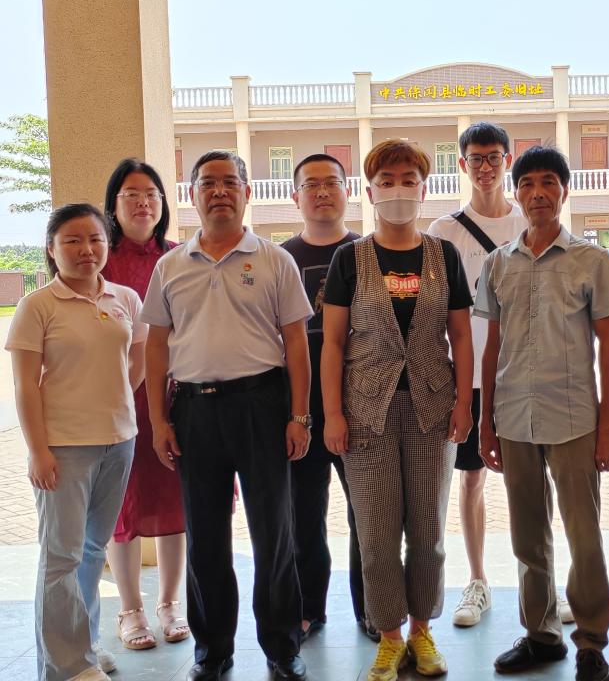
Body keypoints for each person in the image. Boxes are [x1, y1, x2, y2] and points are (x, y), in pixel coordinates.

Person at [142, 150, 313, 681]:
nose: (218, 191)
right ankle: (212, 650)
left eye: (229, 182)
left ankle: (282, 648)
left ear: (246, 191)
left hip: (262, 406)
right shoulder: (170, 265)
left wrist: (299, 416)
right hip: (194, 411)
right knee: (206, 537)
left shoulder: (273, 260)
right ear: (192, 194)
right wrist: (159, 421)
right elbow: (155, 346)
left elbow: (296, 343)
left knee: (274, 534)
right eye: (207, 183)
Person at [320, 138, 474, 681]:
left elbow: (461, 335)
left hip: (433, 410)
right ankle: (388, 637)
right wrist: (332, 414)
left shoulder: (443, 255)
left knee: (428, 532)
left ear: (424, 189)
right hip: (366, 412)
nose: (398, 189)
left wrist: (464, 401)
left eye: (409, 179)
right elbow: (332, 343)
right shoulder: (349, 258)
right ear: (370, 192)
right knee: (377, 534)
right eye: (387, 181)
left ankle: (421, 632)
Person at [476, 146, 609, 681]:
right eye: (528, 184)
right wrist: (485, 421)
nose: (538, 193)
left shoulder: (592, 261)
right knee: (526, 535)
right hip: (514, 415)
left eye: (549, 182)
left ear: (565, 191)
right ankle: (541, 636)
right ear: (516, 193)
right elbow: (491, 348)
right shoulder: (498, 264)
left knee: (583, 535)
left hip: (574, 418)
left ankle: (591, 642)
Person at [7, 203, 146, 681]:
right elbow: (25, 385)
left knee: (91, 551)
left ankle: (83, 646)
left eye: (95, 239)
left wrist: (115, 399)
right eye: (72, 240)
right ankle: (67, 666)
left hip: (119, 442)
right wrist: (38, 450)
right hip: (64, 447)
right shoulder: (38, 305)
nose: (86, 249)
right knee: (60, 557)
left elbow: (138, 358)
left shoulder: (125, 298)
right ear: (51, 248)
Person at [426, 121, 529, 627]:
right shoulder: (443, 231)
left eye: (493, 157)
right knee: (471, 479)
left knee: (531, 481)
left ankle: (540, 580)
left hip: (523, 375)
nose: (485, 167)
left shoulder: (529, 221)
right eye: (475, 158)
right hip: (465, 378)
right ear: (462, 164)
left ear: (507, 161)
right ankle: (477, 580)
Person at [280, 153, 376, 642]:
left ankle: (373, 608)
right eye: (311, 184)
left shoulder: (369, 253)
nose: (322, 192)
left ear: (347, 191)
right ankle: (307, 609)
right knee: (302, 516)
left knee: (369, 514)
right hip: (300, 406)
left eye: (332, 183)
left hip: (359, 403)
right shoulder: (280, 258)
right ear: (295, 195)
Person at [99, 158, 189, 653]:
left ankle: (170, 603)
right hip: (118, 400)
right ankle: (130, 608)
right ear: (112, 204)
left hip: (177, 399)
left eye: (151, 194)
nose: (143, 203)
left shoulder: (180, 257)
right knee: (123, 503)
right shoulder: (101, 262)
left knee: (175, 499)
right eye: (131, 194)